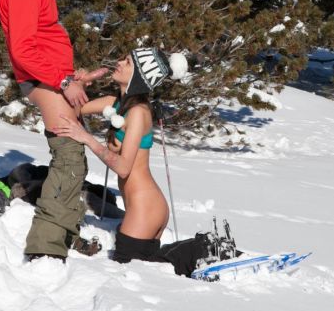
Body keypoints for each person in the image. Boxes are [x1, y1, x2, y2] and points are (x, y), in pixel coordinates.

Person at [52, 47, 232, 276]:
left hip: (145, 208)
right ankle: (202, 252)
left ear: (139, 77)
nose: (119, 62)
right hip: (141, 207)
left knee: (129, 272)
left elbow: (123, 167)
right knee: (147, 271)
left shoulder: (138, 112)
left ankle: (206, 250)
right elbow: (75, 109)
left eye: (128, 62)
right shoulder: (116, 103)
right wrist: (79, 83)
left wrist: (87, 138)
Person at [0, 0, 107, 261]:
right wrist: (62, 81)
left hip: (53, 78)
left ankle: (63, 233)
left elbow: (41, 40)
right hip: (45, 82)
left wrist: (72, 75)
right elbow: (23, 50)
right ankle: (45, 248)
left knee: (73, 159)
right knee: (69, 159)